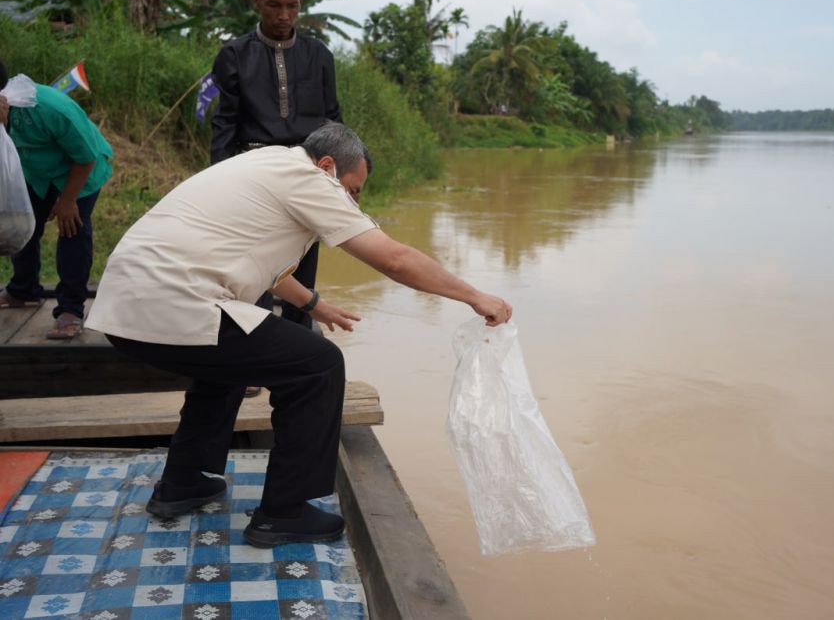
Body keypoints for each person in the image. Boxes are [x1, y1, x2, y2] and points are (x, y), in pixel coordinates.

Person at [85, 122, 512, 548]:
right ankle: (284, 513)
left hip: (128, 305)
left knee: (229, 362)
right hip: (173, 301)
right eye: (352, 189)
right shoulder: (309, 180)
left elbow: (260, 260)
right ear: (327, 165)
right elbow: (395, 259)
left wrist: (313, 305)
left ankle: (184, 483)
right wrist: (474, 296)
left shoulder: (267, 163)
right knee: (318, 365)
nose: (352, 200)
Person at [210, 0, 340, 337]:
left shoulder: (320, 56)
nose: (284, 15)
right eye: (274, 5)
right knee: (253, 270)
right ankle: (254, 357)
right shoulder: (234, 55)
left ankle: (297, 362)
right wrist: (219, 180)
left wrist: (336, 179)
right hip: (254, 174)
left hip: (307, 173)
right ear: (256, 0)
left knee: (303, 269)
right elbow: (225, 123)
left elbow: (333, 120)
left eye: (293, 6)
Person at [0, 59, 113, 339]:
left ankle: (71, 309)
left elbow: (85, 157)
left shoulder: (49, 108)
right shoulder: (6, 110)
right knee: (22, 223)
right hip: (37, 171)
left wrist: (67, 201)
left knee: (72, 228)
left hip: (80, 170)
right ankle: (23, 290)